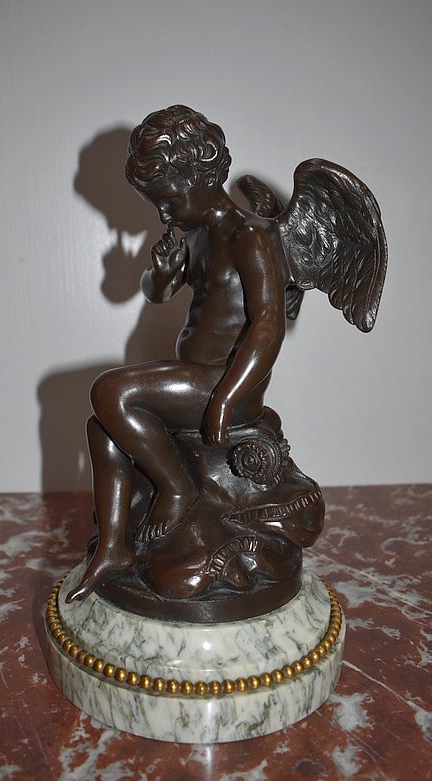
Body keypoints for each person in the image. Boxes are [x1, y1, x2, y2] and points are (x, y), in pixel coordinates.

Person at [66, 105, 287, 603]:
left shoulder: (250, 235)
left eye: (167, 199)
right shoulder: (199, 236)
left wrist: (228, 397)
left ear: (201, 176)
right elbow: (158, 293)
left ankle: (178, 487)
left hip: (225, 384)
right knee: (102, 427)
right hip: (196, 380)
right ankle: (115, 547)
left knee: (110, 391)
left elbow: (268, 324)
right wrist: (162, 273)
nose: (163, 214)